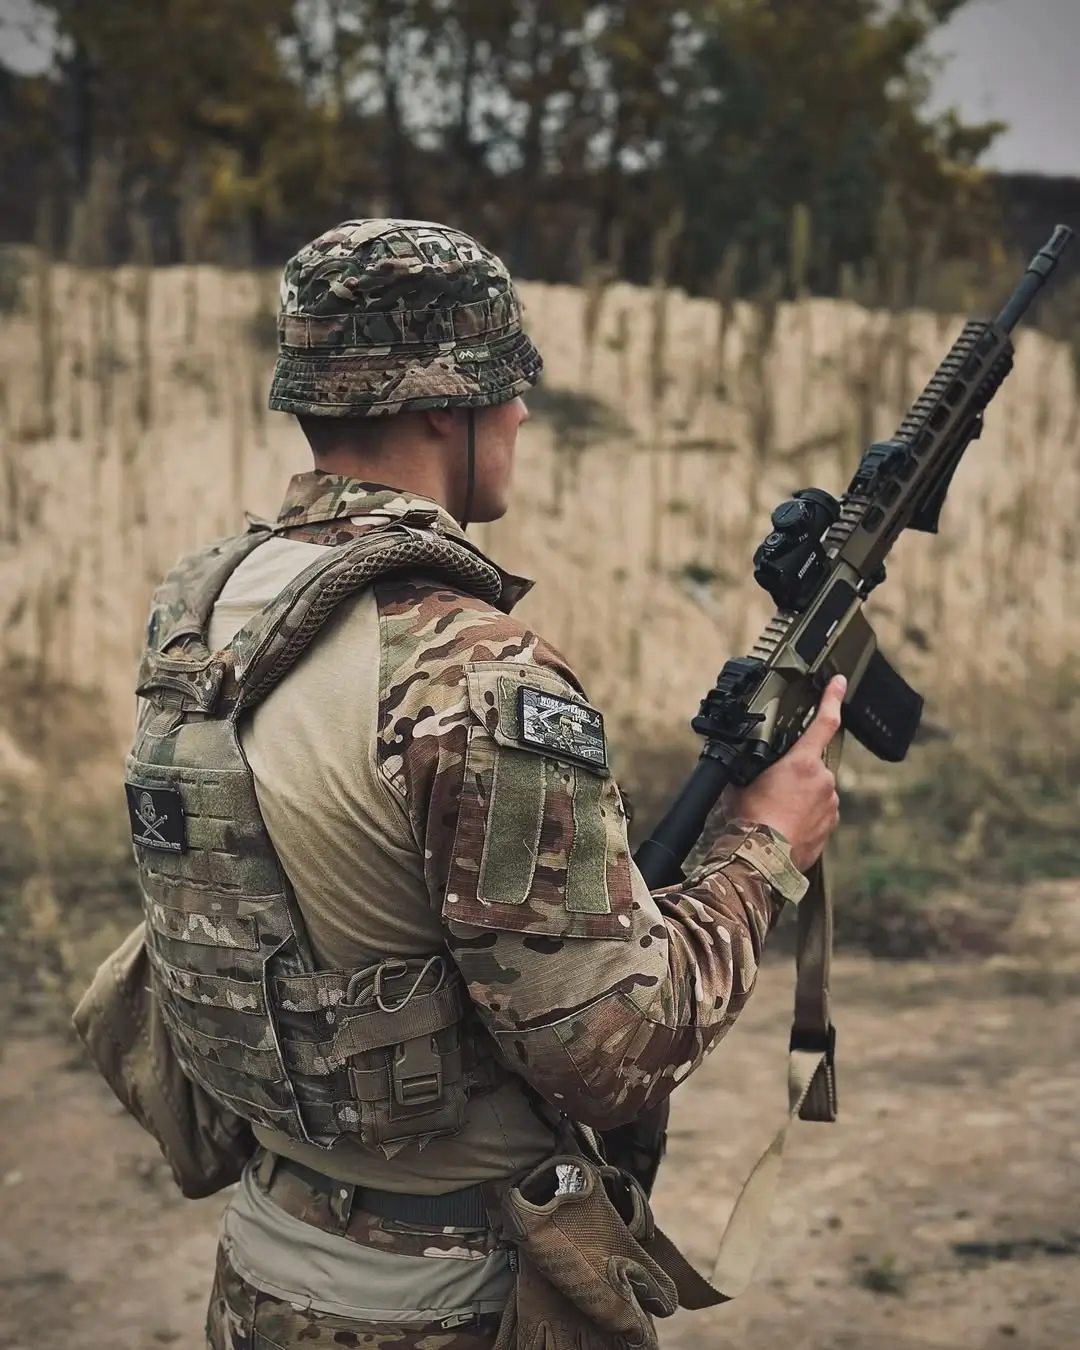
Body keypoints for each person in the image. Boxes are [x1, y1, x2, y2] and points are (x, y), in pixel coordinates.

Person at [76, 218, 842, 1350]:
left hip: (266, 1266)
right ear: (446, 405)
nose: (522, 413)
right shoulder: (471, 667)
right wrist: (764, 846)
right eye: (508, 384)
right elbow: (614, 1051)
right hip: (451, 1305)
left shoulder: (208, 611)